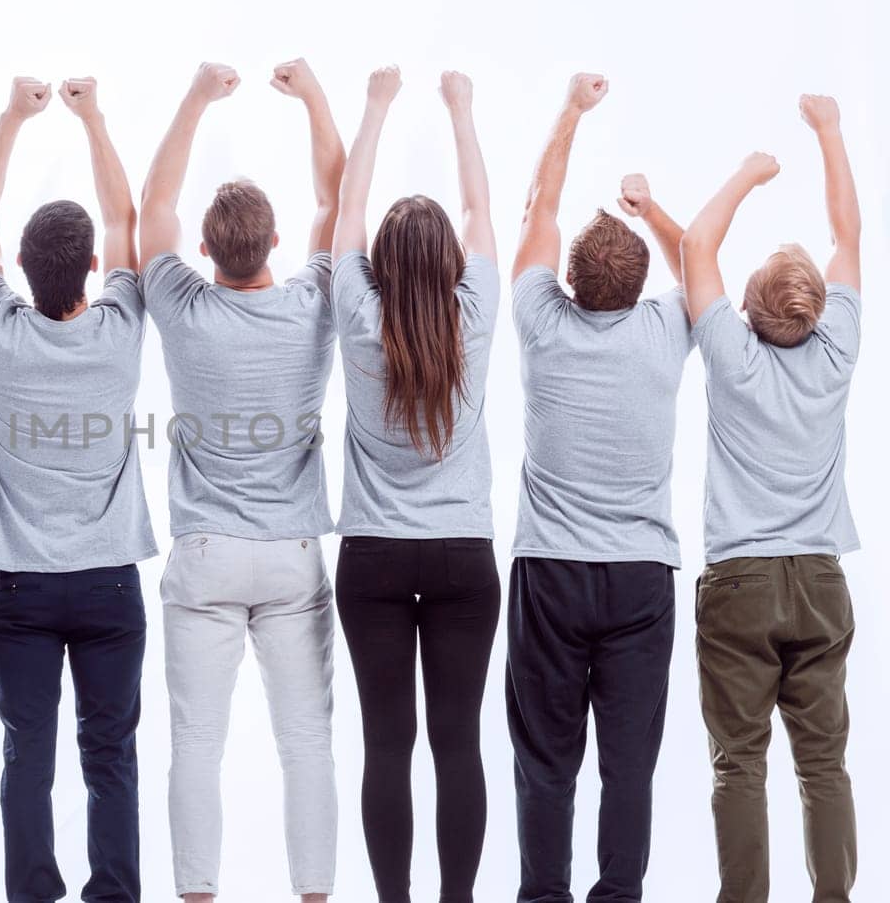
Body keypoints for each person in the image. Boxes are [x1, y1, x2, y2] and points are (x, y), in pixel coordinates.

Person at [139, 59, 340, 903]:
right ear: (276, 245)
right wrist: (313, 98)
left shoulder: (183, 308)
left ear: (206, 251)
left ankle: (196, 894)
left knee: (196, 742)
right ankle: (317, 895)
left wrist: (195, 95)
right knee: (307, 744)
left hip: (208, 552)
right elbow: (339, 202)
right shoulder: (311, 305)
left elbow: (150, 210)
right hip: (291, 553)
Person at [0, 74, 156, 903]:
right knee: (109, 756)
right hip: (111, 584)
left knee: (27, 758)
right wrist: (93, 119)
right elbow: (125, 222)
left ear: (22, 271)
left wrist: (11, 120)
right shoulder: (118, 329)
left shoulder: (0, 334)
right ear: (88, 268)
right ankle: (114, 893)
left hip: (25, 591)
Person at [504, 73, 692, 903]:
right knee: (629, 767)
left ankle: (543, 894)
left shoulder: (540, 322)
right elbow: (703, 264)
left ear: (570, 282)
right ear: (638, 283)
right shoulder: (667, 328)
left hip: (551, 574)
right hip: (640, 579)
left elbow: (537, 212)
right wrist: (649, 210)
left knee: (545, 763)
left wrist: (572, 111)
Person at [679, 95, 861, 903]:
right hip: (820, 583)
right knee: (823, 763)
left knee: (738, 763)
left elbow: (695, 246)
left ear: (746, 310)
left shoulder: (730, 355)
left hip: (741, 584)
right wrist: (828, 130)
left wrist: (752, 173)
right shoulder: (837, 353)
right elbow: (849, 236)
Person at [327, 65, 500, 903]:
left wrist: (375, 106)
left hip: (374, 560)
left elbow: (347, 218)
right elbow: (480, 212)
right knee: (458, 744)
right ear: (453, 265)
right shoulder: (476, 316)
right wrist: (460, 110)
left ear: (382, 268)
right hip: (465, 558)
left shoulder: (358, 315)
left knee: (386, 745)